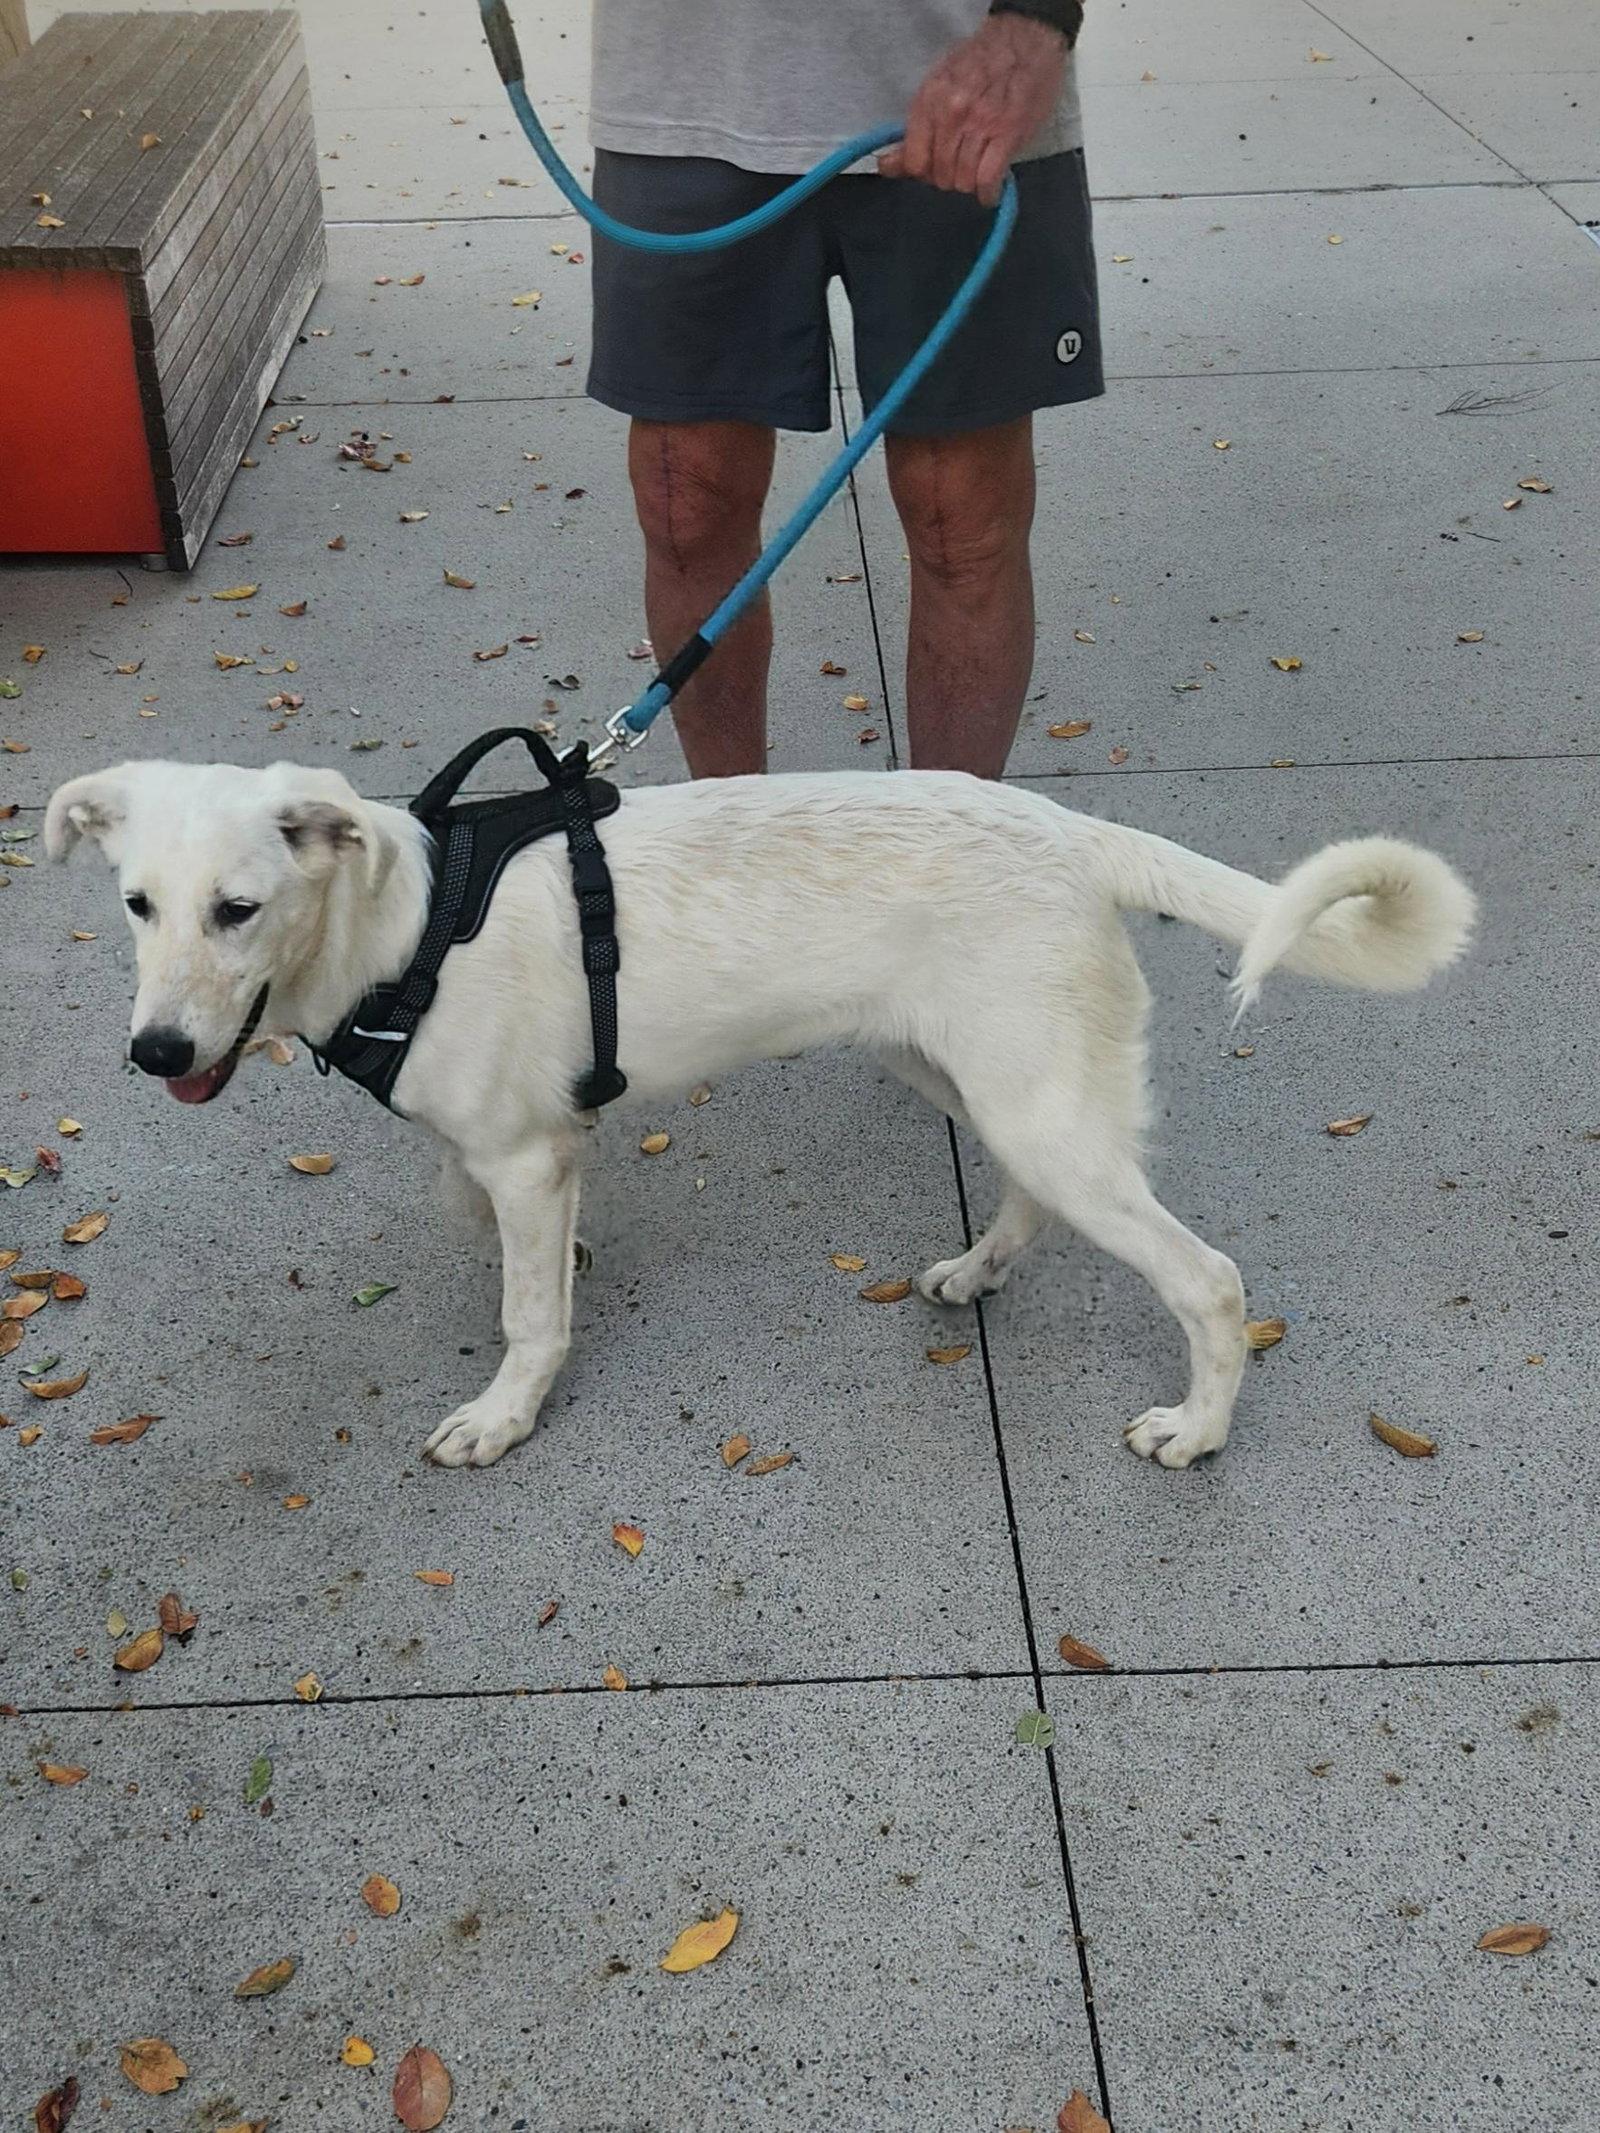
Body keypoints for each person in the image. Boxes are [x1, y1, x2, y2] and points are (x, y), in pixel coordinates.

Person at [585, 0, 1101, 778]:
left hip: (960, 82)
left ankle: (949, 867)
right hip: (682, 87)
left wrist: (1038, 19)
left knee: (961, 521)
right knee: (685, 504)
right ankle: (728, 858)